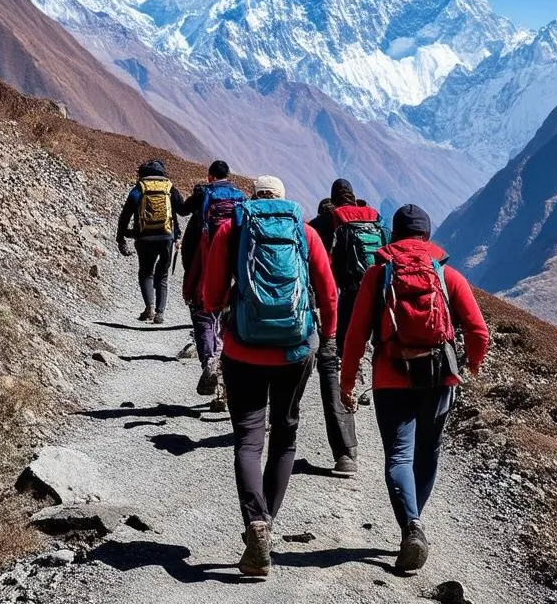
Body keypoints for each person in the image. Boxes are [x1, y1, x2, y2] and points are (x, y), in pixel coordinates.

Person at [340, 203, 489, 573]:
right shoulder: (446, 275)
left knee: (399, 456)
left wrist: (347, 383)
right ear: (426, 234)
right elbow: (478, 331)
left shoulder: (378, 275)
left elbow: (355, 335)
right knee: (428, 451)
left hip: (391, 377)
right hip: (439, 378)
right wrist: (472, 362)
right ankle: (414, 524)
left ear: (394, 233)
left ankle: (411, 526)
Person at [202, 174, 337, 577]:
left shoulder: (233, 227)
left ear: (253, 197)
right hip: (295, 350)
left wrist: (231, 303)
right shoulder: (304, 231)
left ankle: (255, 524)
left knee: (248, 439)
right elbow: (328, 291)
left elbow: (209, 294)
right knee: (285, 436)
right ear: (282, 198)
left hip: (243, 348)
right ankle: (267, 525)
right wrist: (326, 335)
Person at [318, 178, 389, 478]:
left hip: (345, 298)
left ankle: (347, 451)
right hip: (378, 299)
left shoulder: (328, 222)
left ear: (334, 198)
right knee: (374, 348)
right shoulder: (377, 221)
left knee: (331, 362)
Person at [178, 160, 244, 405]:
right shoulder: (241, 199)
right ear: (228, 175)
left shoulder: (203, 198)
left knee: (204, 319)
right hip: (236, 275)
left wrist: (189, 283)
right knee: (229, 328)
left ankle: (210, 364)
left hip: (206, 270)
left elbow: (192, 246)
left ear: (209, 176)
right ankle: (226, 386)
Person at [116, 159, 184, 324]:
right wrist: (177, 235)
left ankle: (150, 308)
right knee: (163, 275)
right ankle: (160, 313)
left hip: (144, 238)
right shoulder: (169, 189)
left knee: (146, 272)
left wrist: (121, 236)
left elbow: (125, 215)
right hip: (166, 237)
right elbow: (180, 210)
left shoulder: (139, 189)